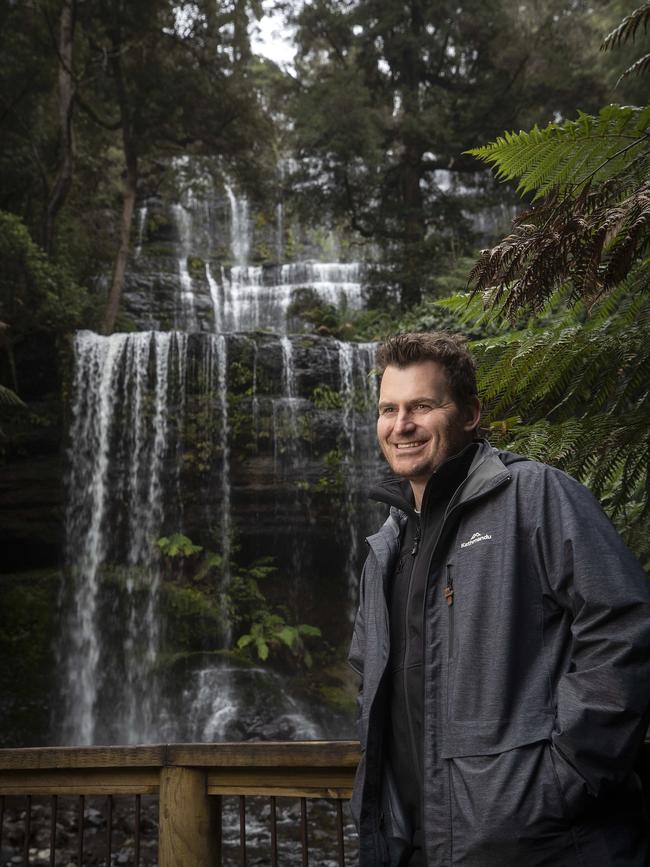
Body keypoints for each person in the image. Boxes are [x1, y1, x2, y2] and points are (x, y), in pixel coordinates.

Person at [349, 331, 650, 866]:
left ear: (469, 413)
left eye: (422, 405)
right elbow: (366, 674)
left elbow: (625, 628)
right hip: (417, 844)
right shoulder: (387, 544)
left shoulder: (536, 496)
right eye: (389, 409)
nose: (402, 425)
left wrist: (568, 778)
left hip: (542, 845)